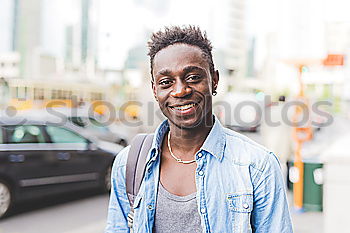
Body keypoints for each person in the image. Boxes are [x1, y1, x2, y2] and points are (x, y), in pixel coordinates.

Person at [105, 26, 293, 233]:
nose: (180, 91)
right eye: (166, 82)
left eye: (193, 77)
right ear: (155, 90)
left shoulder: (258, 165)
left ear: (214, 80)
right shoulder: (128, 164)